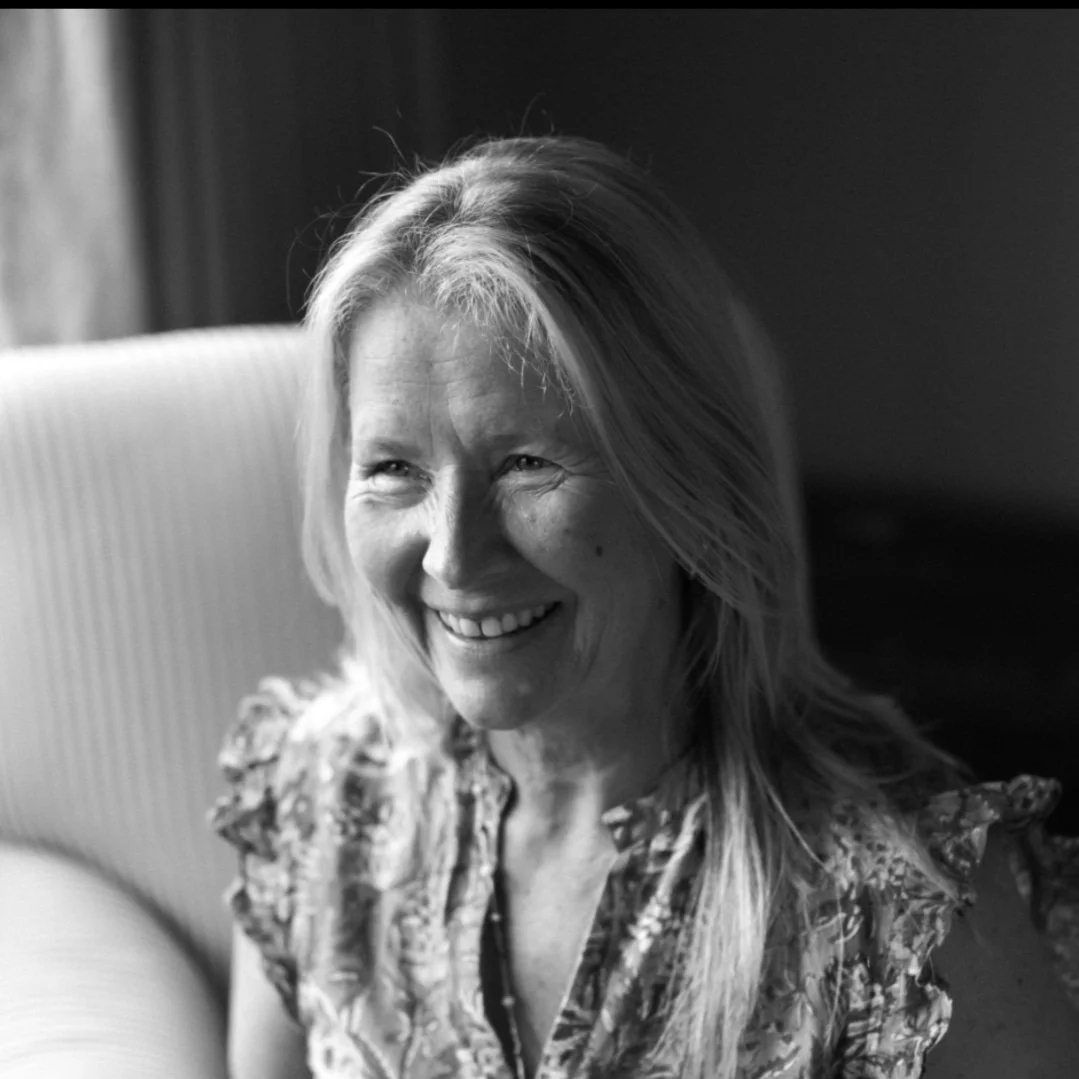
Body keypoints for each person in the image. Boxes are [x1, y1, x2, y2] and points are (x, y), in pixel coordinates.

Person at [210, 135, 1079, 1079]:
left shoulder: (912, 910)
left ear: (688, 488)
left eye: (526, 463)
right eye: (392, 469)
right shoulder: (320, 798)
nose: (454, 553)